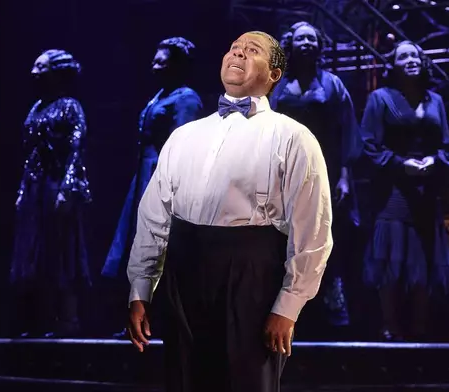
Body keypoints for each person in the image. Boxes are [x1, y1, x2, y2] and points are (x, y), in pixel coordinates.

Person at [127, 31, 333, 392]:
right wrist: (140, 288)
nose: (238, 53)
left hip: (251, 273)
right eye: (234, 48)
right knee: (185, 380)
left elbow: (313, 228)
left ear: (273, 75)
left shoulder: (293, 137)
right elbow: (154, 219)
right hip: (185, 268)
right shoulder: (185, 136)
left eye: (251, 50)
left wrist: (288, 306)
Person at [102, 37, 203, 337]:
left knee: (161, 246)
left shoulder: (186, 98)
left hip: (163, 174)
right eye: (155, 59)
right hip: (143, 173)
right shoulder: (159, 95)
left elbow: (182, 142)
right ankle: (140, 319)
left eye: (162, 60)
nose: (155, 65)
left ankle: (162, 319)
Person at [270, 21, 363, 336]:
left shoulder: (333, 84)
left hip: (325, 170)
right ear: (291, 44)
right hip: (284, 172)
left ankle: (331, 314)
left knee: (323, 241)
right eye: (301, 38)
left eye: (312, 38)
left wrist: (346, 176)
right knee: (286, 241)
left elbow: (347, 130)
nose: (307, 42)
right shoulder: (277, 84)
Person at [360, 40, 449, 341]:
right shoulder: (380, 98)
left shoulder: (436, 100)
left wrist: (434, 161)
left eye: (415, 55)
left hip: (426, 189)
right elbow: (370, 144)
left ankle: (420, 326)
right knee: (391, 255)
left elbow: (446, 145)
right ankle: (390, 325)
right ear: (394, 65)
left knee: (423, 257)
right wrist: (401, 165)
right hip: (394, 189)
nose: (411, 59)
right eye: (404, 56)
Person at [10, 49, 92, 338]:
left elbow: (75, 149)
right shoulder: (37, 107)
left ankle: (66, 319)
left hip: (57, 185)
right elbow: (29, 154)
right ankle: (37, 319)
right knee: (34, 250)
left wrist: (68, 189)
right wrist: (23, 189)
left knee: (60, 249)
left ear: (56, 72)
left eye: (40, 67)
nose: (34, 72)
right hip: (36, 185)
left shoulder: (70, 106)